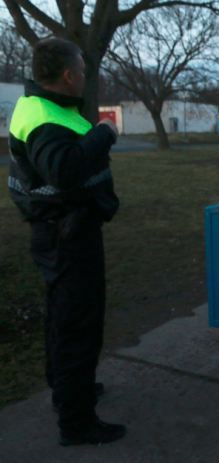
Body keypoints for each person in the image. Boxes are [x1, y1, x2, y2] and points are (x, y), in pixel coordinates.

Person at [7, 37, 125, 446]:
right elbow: (64, 169)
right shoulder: (44, 118)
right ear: (70, 75)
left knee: (62, 316)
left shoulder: (44, 108)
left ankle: (67, 389)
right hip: (68, 235)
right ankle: (77, 422)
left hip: (63, 232)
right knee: (78, 324)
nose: (86, 77)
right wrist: (105, 133)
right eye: (83, 70)